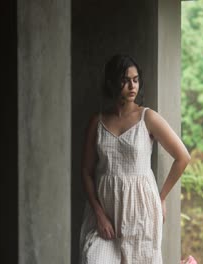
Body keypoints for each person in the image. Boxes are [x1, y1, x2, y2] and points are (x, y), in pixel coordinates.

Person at [79, 54, 191, 264]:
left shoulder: (147, 118)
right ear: (112, 82)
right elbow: (86, 172)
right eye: (125, 80)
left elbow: (182, 157)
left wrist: (162, 197)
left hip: (141, 211)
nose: (132, 86)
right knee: (93, 258)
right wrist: (98, 213)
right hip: (106, 212)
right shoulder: (98, 122)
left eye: (136, 79)